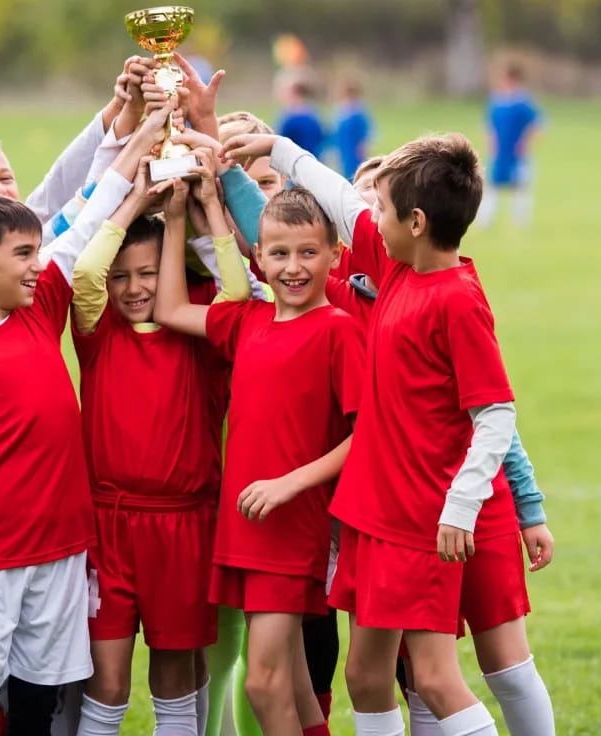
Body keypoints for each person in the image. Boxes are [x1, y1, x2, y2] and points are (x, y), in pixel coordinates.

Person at [225, 132, 556, 736]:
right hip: (373, 513)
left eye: (381, 208)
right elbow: (341, 206)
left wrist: (462, 504)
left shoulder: (456, 299)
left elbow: (496, 414)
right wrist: (275, 146)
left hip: (421, 515)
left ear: (418, 221)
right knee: (367, 676)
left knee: (431, 676)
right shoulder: (400, 270)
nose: (367, 220)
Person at [0, 106, 168, 734]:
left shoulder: (41, 304)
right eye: (22, 254)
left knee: (38, 703)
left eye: (36, 252)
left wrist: (143, 140)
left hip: (64, 549)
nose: (35, 264)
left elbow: (91, 215)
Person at [155, 183, 365, 736]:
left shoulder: (340, 332)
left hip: (290, 528)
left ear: (334, 255)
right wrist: (177, 217)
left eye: (307, 253)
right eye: (278, 253)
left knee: (263, 684)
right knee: (292, 681)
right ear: (258, 258)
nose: (292, 268)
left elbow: (368, 437)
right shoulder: (247, 320)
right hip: (244, 526)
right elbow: (170, 308)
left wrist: (290, 484)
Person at [71, 148, 251, 736]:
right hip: (108, 527)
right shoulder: (97, 330)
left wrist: (192, 212)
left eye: (147, 274)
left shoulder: (199, 322)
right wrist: (139, 200)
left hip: (183, 526)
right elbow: (85, 271)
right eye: (123, 276)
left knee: (175, 677)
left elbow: (237, 288)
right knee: (107, 679)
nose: (132, 287)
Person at [477, 62, 543, 227]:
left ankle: (520, 222)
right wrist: (490, 144)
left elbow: (537, 124)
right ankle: (484, 221)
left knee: (520, 187)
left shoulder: (523, 102)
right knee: (491, 187)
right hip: (499, 153)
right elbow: (489, 125)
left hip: (517, 154)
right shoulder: (497, 101)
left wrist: (526, 144)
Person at [332, 77, 373, 180]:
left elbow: (366, 133)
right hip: (344, 148)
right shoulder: (341, 110)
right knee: (345, 174)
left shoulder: (358, 110)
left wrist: (364, 148)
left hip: (354, 150)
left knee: (355, 174)